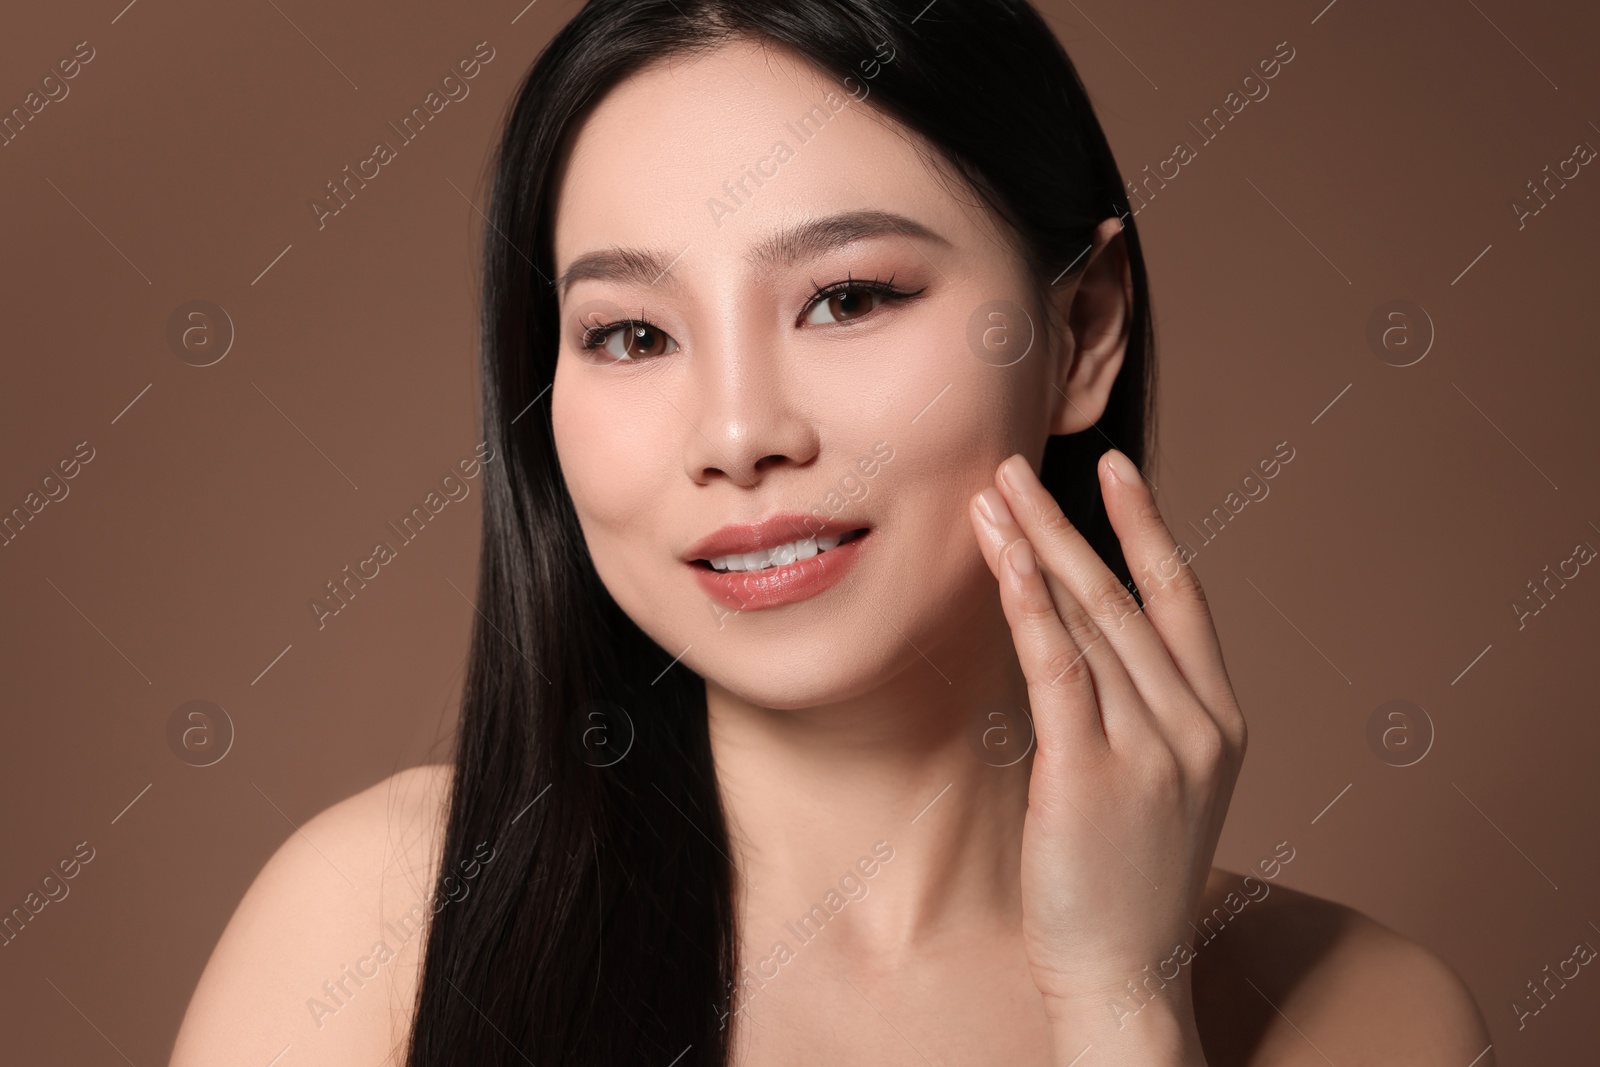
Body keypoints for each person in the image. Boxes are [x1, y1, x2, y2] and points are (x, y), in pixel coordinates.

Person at [171, 1, 1494, 1064]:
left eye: (847, 298)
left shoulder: (1372, 1021)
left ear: (1082, 330)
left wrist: (1122, 1007)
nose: (738, 431)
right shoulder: (373, 931)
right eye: (633, 334)